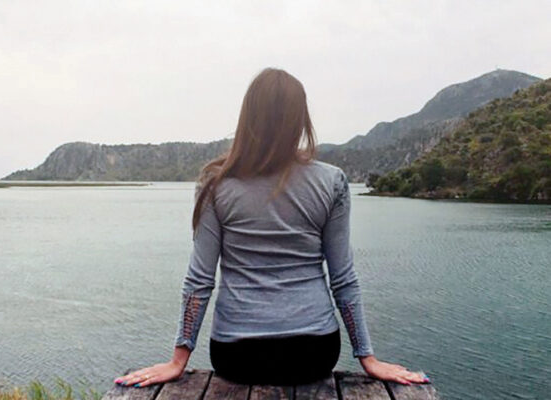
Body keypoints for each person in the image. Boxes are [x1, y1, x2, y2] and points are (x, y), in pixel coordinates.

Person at [114, 68, 428, 387]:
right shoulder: (332, 182)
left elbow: (199, 279)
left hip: (235, 356)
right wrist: (367, 356)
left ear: (248, 116)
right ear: (300, 120)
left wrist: (178, 359)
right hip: (315, 353)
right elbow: (343, 277)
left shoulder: (215, 184)